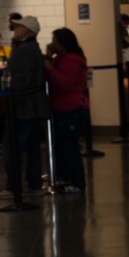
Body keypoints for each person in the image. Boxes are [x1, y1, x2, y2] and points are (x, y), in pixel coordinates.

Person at [2, 15, 47, 195]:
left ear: (27, 31)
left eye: (19, 27)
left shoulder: (23, 50)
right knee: (31, 147)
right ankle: (34, 183)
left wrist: (13, 99)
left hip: (23, 106)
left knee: (12, 147)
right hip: (33, 105)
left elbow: (21, 79)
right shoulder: (32, 48)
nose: (15, 30)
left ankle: (13, 187)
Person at [44, 28, 88, 191]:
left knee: (71, 148)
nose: (51, 43)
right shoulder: (61, 59)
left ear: (62, 44)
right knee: (63, 147)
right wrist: (49, 57)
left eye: (54, 40)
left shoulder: (72, 60)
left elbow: (65, 83)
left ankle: (77, 182)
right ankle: (65, 178)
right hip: (62, 108)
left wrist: (50, 67)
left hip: (71, 108)